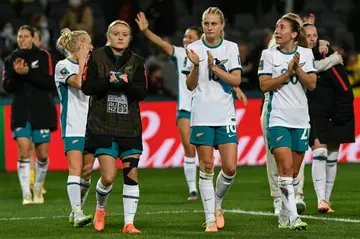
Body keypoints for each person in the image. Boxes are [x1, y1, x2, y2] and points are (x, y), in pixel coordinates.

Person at [81, 20, 148, 234]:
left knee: (131, 174)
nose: (120, 37)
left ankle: (129, 223)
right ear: (108, 37)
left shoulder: (137, 61)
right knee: (108, 177)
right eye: (116, 33)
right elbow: (87, 87)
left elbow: (142, 92)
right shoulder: (97, 57)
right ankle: (101, 208)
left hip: (130, 126)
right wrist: (109, 82)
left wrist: (126, 84)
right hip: (103, 125)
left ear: (130, 38)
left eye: (125, 34)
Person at [261, 12, 330, 216]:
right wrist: (288, 73)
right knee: (277, 160)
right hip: (274, 111)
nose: (277, 30)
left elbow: (311, 83)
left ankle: (296, 195)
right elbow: (264, 84)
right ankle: (280, 202)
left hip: (299, 115)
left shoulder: (305, 54)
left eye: (282, 27)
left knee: (295, 164)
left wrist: (297, 69)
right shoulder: (271, 53)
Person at [182, 7, 241, 232]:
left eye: (214, 23)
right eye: (206, 23)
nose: (209, 27)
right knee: (207, 166)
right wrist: (197, 65)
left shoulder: (231, 48)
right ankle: (209, 218)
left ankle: (216, 202)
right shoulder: (193, 48)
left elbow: (236, 80)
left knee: (230, 168)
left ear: (222, 25)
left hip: (225, 113)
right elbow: (190, 85)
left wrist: (214, 66)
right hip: (201, 115)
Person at [135, 11, 202, 200]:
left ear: (199, 39)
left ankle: (205, 185)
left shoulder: (208, 55)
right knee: (189, 148)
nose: (186, 39)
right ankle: (193, 190)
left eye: (190, 36)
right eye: (185, 36)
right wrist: (146, 31)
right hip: (185, 109)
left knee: (205, 151)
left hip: (206, 109)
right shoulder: (180, 54)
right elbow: (161, 43)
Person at [303, 23, 355, 213]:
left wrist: (330, 54)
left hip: (337, 108)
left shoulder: (324, 51)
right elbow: (311, 69)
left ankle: (327, 200)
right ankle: (320, 199)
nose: (312, 38)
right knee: (320, 152)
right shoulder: (300, 55)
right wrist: (332, 59)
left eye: (315, 35)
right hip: (314, 110)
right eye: (308, 35)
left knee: (332, 155)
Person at [2, 25, 57, 205]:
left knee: (42, 155)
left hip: (41, 110)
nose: (22, 39)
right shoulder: (11, 59)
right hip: (21, 110)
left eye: (26, 36)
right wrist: (17, 75)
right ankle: (27, 193)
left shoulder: (43, 56)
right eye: (20, 36)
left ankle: (38, 187)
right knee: (24, 152)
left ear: (34, 38)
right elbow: (7, 87)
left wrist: (28, 73)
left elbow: (49, 83)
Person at [55, 28, 96, 227]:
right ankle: (78, 212)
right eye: (89, 44)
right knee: (76, 168)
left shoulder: (92, 65)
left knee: (87, 170)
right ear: (81, 46)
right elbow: (79, 83)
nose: (92, 47)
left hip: (93, 125)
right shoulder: (62, 66)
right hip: (73, 123)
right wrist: (81, 60)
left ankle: (76, 209)